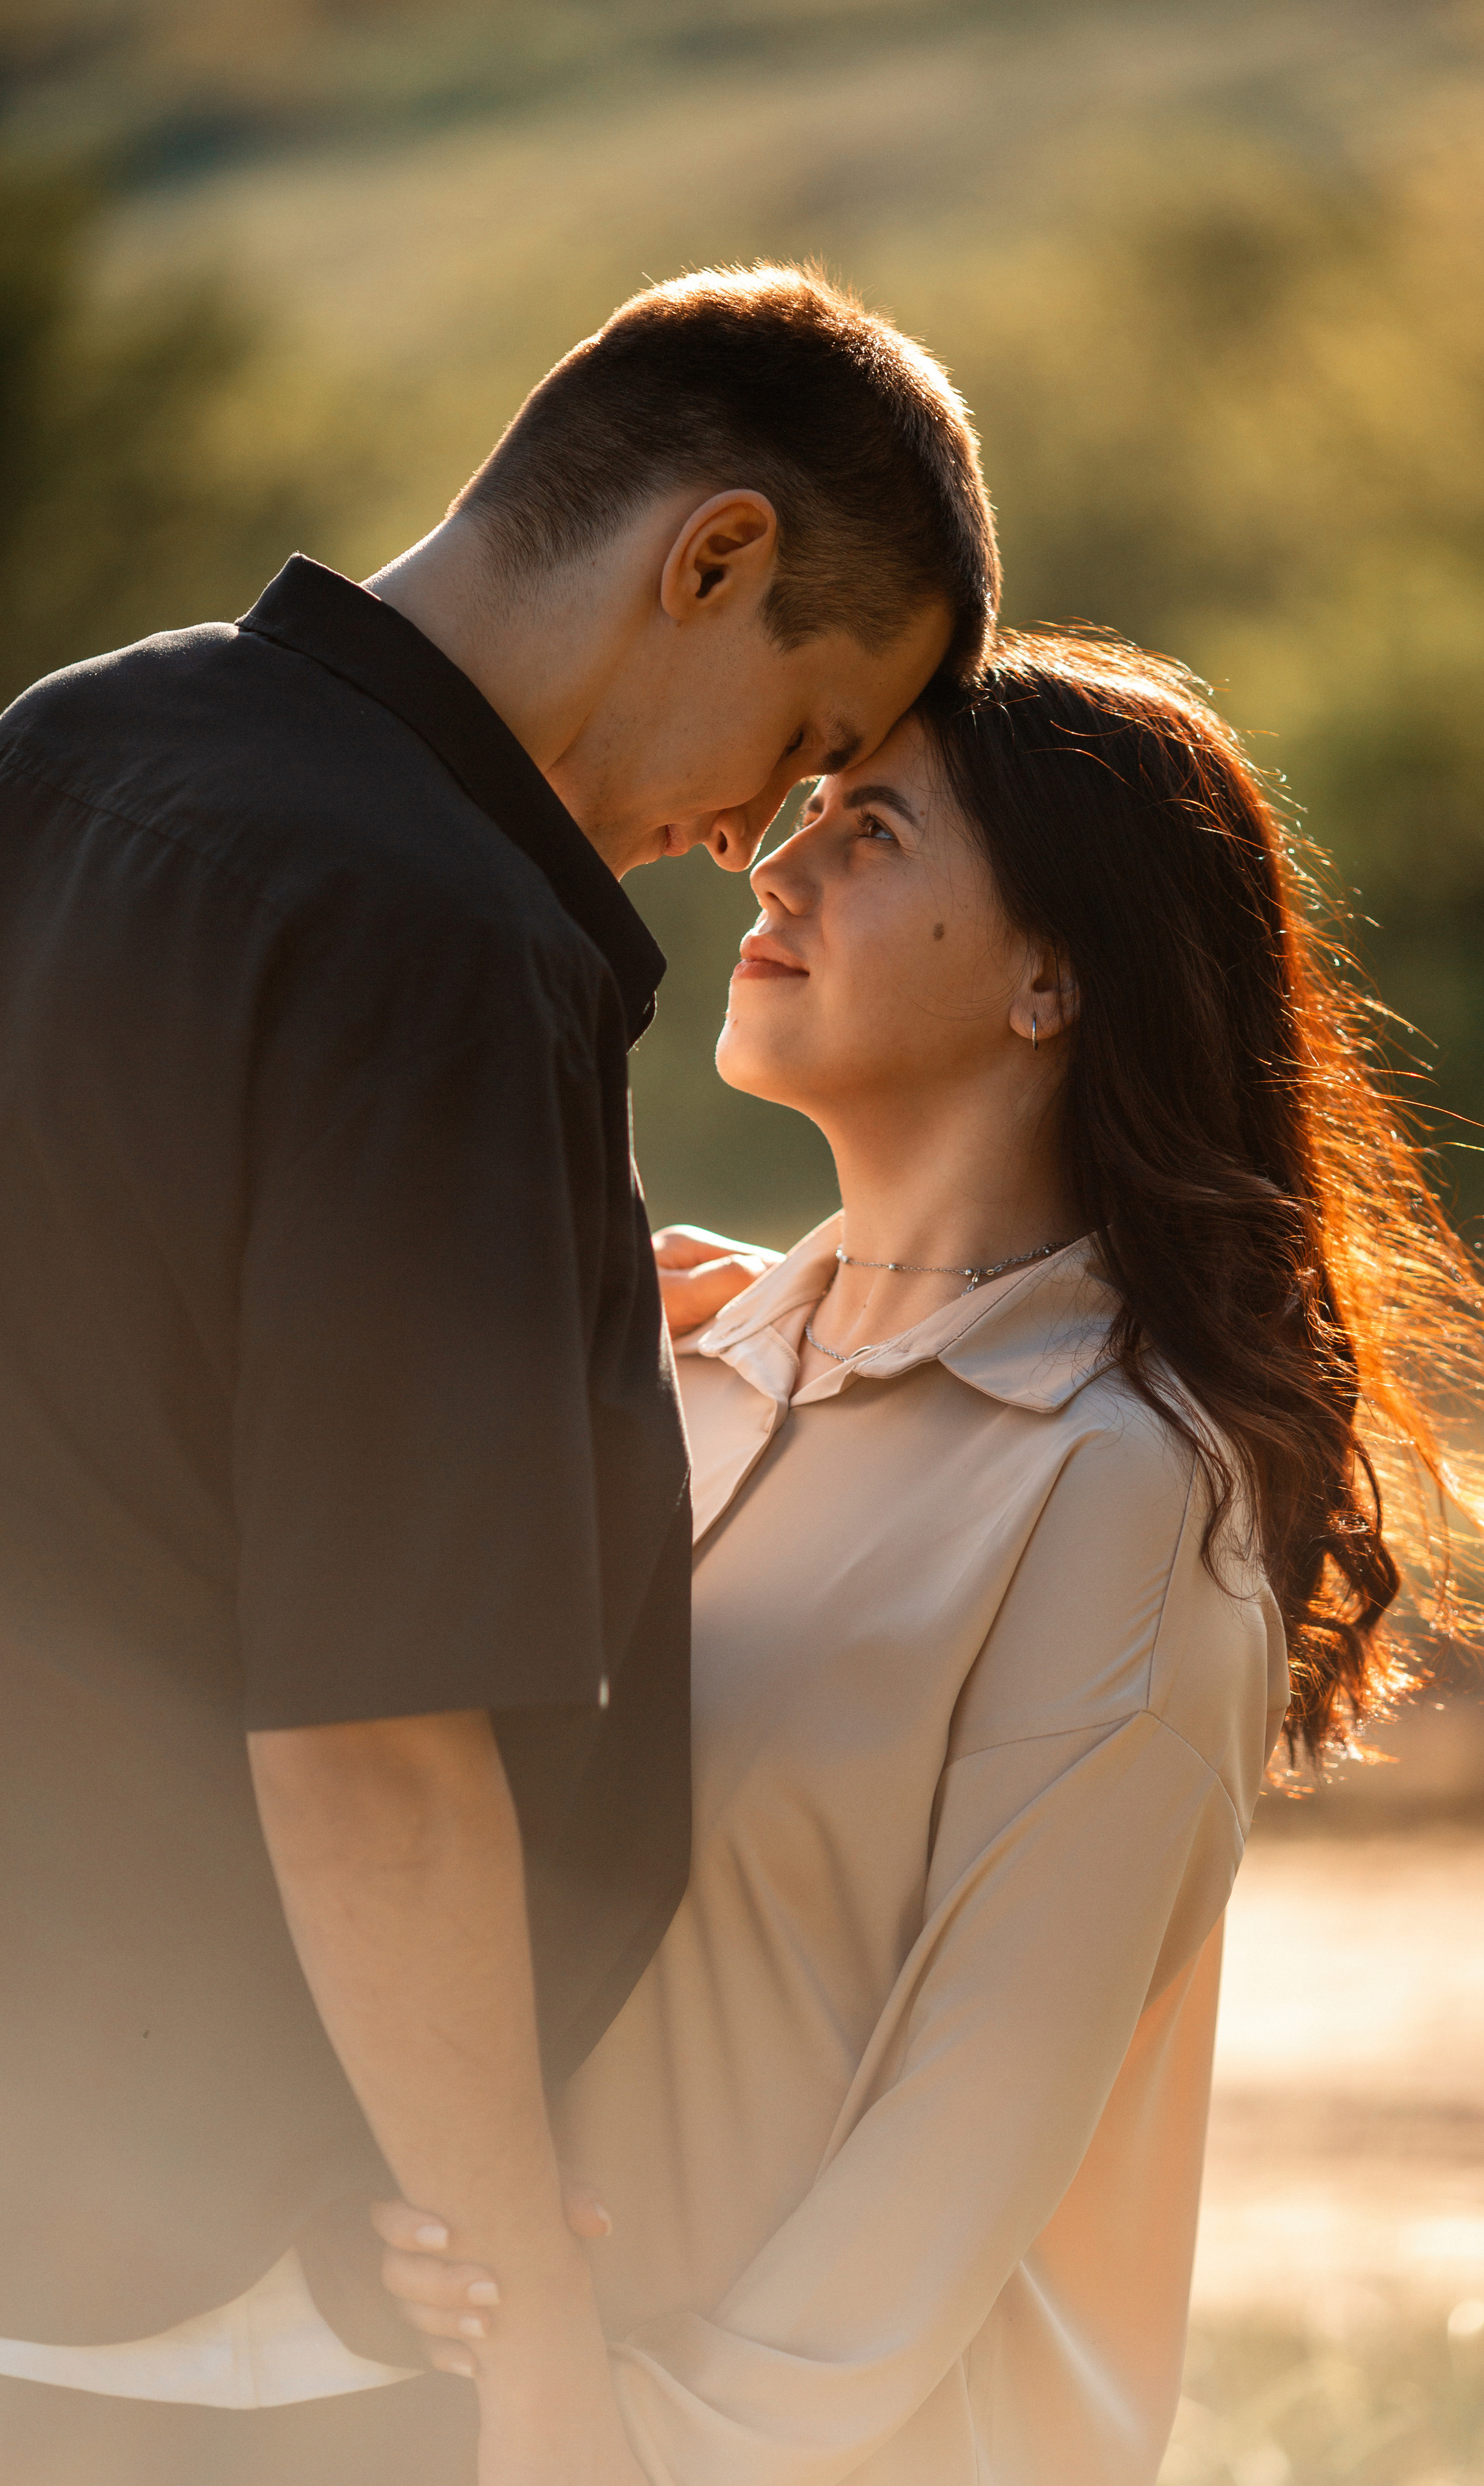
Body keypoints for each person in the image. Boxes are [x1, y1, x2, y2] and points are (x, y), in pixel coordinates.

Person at [372, 631, 1484, 2483]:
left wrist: (627, 2446)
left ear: (1049, 979)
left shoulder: (1120, 1490)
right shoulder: (667, 1358)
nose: (778, 864)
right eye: (805, 816)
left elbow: (965, 2135)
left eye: (872, 833)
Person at [0, 264, 997, 2486]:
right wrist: (532, 2340)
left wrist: (551, 1340)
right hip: (226, 2286)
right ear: (711, 557)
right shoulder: (438, 936)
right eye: (810, 737)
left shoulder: (68, 744)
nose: (763, 832)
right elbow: (372, 1743)